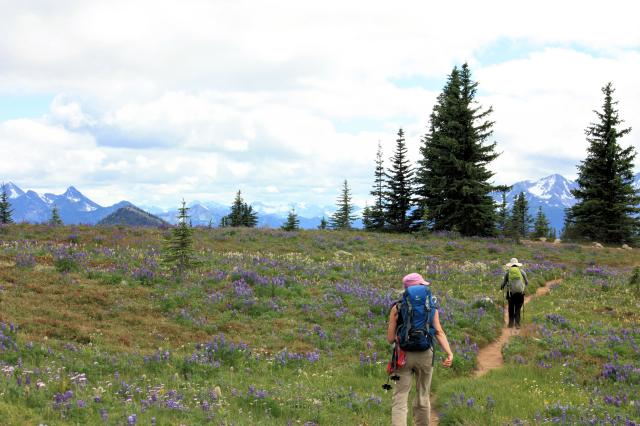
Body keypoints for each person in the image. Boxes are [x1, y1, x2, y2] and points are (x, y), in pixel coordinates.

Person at [386, 273, 454, 426]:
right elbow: (439, 332)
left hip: (403, 355)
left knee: (400, 398)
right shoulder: (431, 306)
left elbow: (390, 338)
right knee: (423, 396)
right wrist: (449, 353)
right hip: (425, 354)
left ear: (406, 288)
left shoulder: (397, 307)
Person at [500, 257, 529, 328]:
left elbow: (504, 283)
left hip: (510, 293)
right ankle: (517, 324)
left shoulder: (507, 272)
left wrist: (502, 287)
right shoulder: (522, 272)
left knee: (511, 307)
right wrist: (523, 285)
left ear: (510, 265)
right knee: (518, 308)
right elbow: (527, 282)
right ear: (517, 264)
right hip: (520, 293)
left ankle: (510, 323)